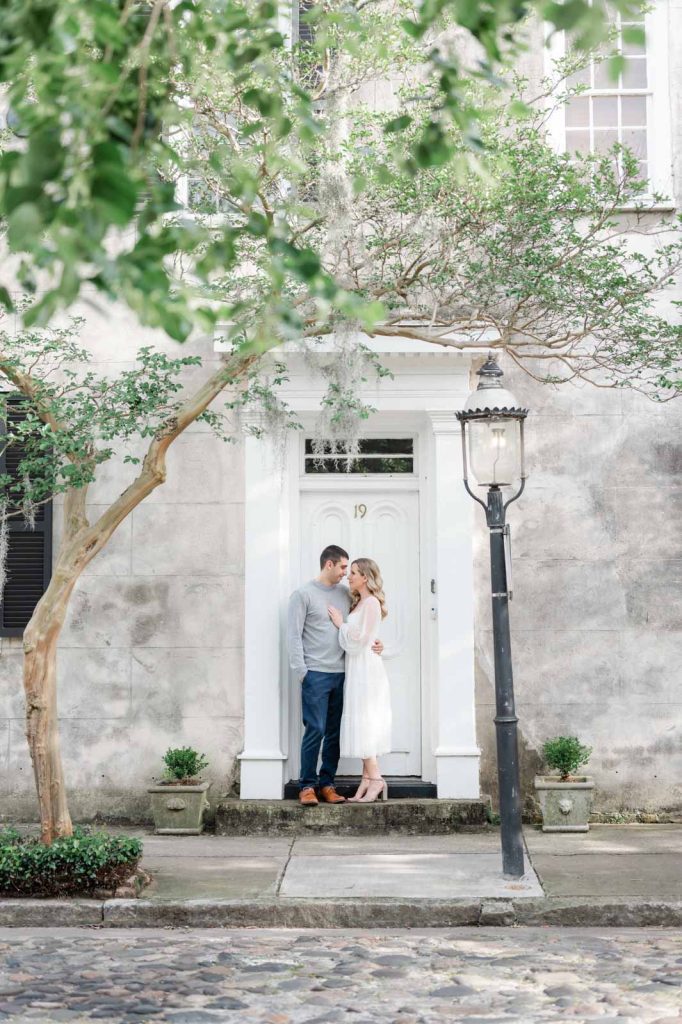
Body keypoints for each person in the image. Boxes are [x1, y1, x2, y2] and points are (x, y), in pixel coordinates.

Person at [288, 545, 383, 806]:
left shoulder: (346, 594)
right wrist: (302, 673)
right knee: (315, 729)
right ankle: (307, 786)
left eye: (349, 570)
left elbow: (361, 626)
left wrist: (376, 643)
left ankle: (327, 784)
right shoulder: (303, 594)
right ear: (328, 564)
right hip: (315, 674)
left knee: (333, 733)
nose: (345, 573)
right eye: (343, 567)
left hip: (344, 674)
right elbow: (294, 636)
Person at [328, 558, 392, 803]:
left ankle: (375, 780)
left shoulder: (372, 602)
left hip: (366, 668)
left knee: (365, 721)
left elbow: (363, 639)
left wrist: (340, 625)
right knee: (362, 720)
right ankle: (366, 781)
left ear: (365, 577)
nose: (349, 577)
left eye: (353, 573)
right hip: (357, 667)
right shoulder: (360, 602)